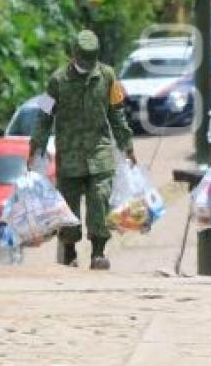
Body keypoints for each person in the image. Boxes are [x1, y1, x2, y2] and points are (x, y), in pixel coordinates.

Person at [28, 30, 135, 270]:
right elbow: (44, 117)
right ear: (73, 55)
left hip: (99, 152)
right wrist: (36, 147)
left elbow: (117, 114)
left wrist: (127, 145)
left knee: (100, 199)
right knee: (68, 207)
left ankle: (98, 252)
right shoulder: (56, 81)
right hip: (70, 155)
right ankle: (69, 250)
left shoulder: (107, 76)